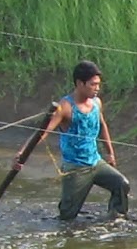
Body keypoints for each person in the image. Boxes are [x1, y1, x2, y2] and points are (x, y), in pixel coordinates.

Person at [27, 60, 130, 223]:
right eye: (93, 84)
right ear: (79, 83)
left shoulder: (96, 103)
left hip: (96, 162)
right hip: (75, 168)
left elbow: (102, 125)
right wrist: (23, 153)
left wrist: (110, 153)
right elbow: (44, 132)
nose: (97, 88)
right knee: (67, 215)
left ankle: (115, 219)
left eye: (98, 85)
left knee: (121, 184)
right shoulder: (66, 107)